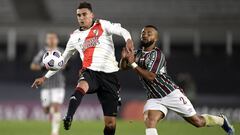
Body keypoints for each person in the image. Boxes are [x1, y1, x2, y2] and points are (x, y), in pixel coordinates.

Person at [31, 2, 133, 135]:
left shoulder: (102, 24)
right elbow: (61, 61)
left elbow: (122, 30)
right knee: (82, 86)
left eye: (84, 14)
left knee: (110, 124)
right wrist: (44, 77)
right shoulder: (74, 37)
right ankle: (69, 116)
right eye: (78, 15)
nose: (81, 17)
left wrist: (128, 39)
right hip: (90, 71)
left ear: (92, 15)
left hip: (109, 75)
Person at [120, 25, 235, 135]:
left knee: (197, 122)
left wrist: (133, 63)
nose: (145, 35)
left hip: (170, 93)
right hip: (154, 97)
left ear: (156, 38)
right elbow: (123, 67)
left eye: (149, 33)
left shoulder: (157, 55)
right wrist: (124, 59)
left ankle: (221, 120)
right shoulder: (137, 53)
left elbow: (151, 76)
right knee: (150, 121)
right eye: (143, 33)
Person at [30, 32, 65, 135]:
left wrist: (60, 65)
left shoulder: (61, 51)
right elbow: (33, 65)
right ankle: (52, 114)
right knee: (46, 110)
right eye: (49, 38)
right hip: (45, 86)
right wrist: (42, 67)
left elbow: (66, 65)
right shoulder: (42, 52)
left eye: (53, 38)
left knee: (56, 106)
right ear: (46, 40)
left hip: (58, 85)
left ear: (57, 40)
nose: (52, 40)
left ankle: (54, 132)